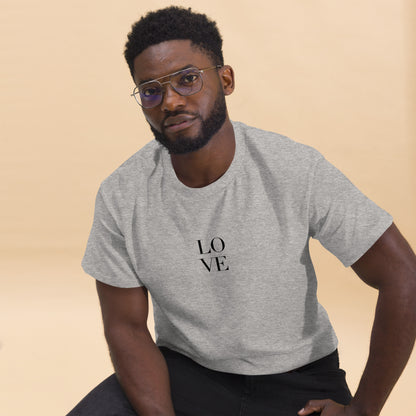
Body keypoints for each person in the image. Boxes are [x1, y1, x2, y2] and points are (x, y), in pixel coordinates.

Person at [68, 6, 416, 416]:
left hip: (298, 381)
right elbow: (125, 325)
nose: (171, 101)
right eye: (151, 90)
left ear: (226, 79)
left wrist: (363, 410)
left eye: (187, 79)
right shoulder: (121, 194)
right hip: (184, 374)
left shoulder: (293, 168)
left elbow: (403, 276)